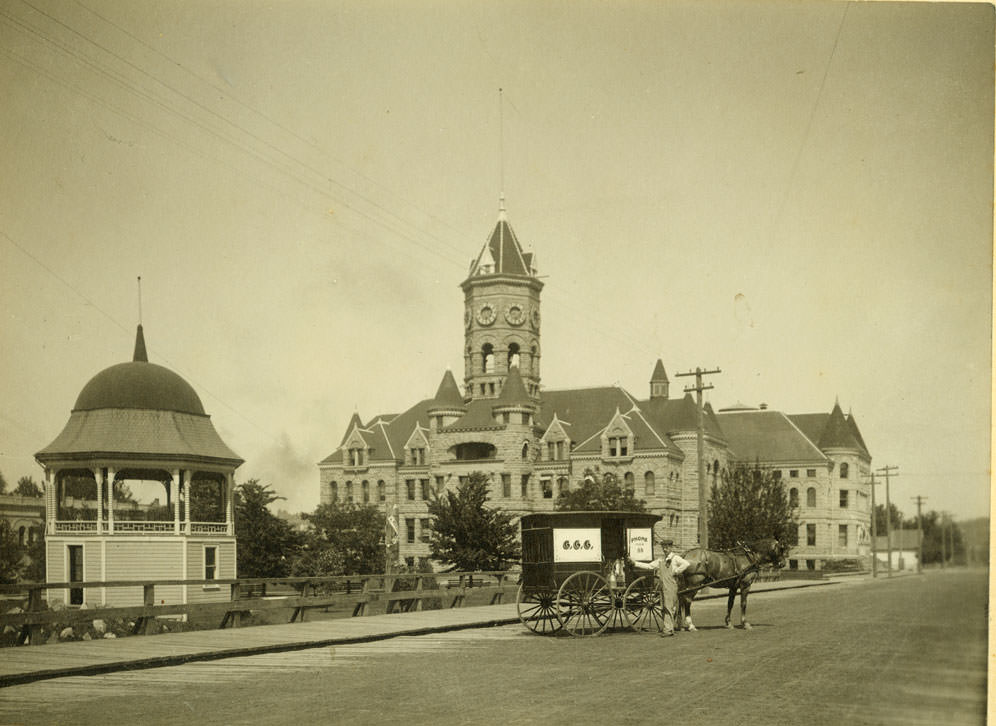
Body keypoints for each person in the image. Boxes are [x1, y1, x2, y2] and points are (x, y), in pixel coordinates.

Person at [629, 539, 690, 636]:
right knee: (664, 607)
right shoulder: (661, 560)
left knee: (669, 607)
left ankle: (668, 630)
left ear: (671, 548)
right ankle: (668, 628)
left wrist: (676, 571)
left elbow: (686, 564)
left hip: (671, 585)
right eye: (663, 547)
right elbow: (649, 566)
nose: (665, 549)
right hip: (663, 586)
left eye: (667, 547)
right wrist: (635, 563)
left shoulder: (675, 558)